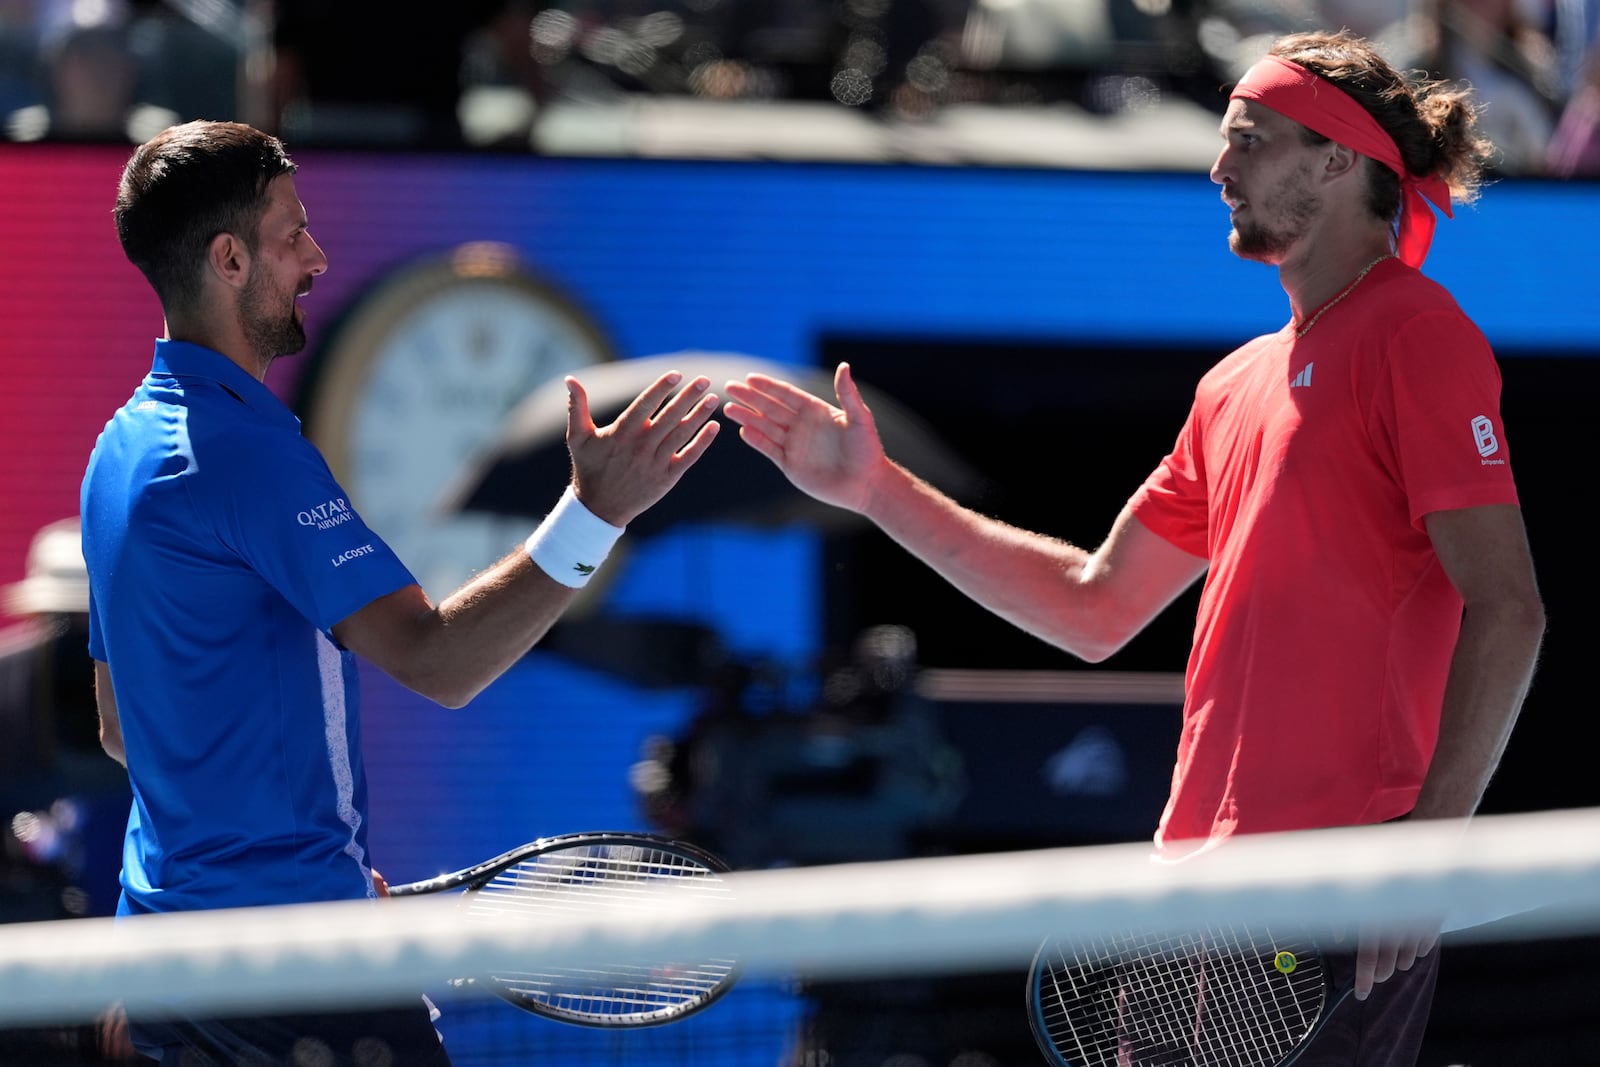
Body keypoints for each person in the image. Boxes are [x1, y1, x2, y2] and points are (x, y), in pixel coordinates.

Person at [720, 29, 1545, 1067]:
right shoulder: (1231, 384)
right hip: (1187, 887)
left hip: (1338, 886)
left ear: (1336, 161)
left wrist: (1427, 850)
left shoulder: (1415, 334)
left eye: (1247, 139)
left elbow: (1508, 605)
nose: (1219, 166)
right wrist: (875, 490)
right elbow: (1091, 603)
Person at [81, 119, 721, 1065]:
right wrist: (595, 511)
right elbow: (440, 660)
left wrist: (299, 865)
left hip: (163, 965)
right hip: (294, 980)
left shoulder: (117, 452)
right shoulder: (247, 454)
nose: (316, 255)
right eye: (292, 233)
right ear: (227, 258)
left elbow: (123, 725)